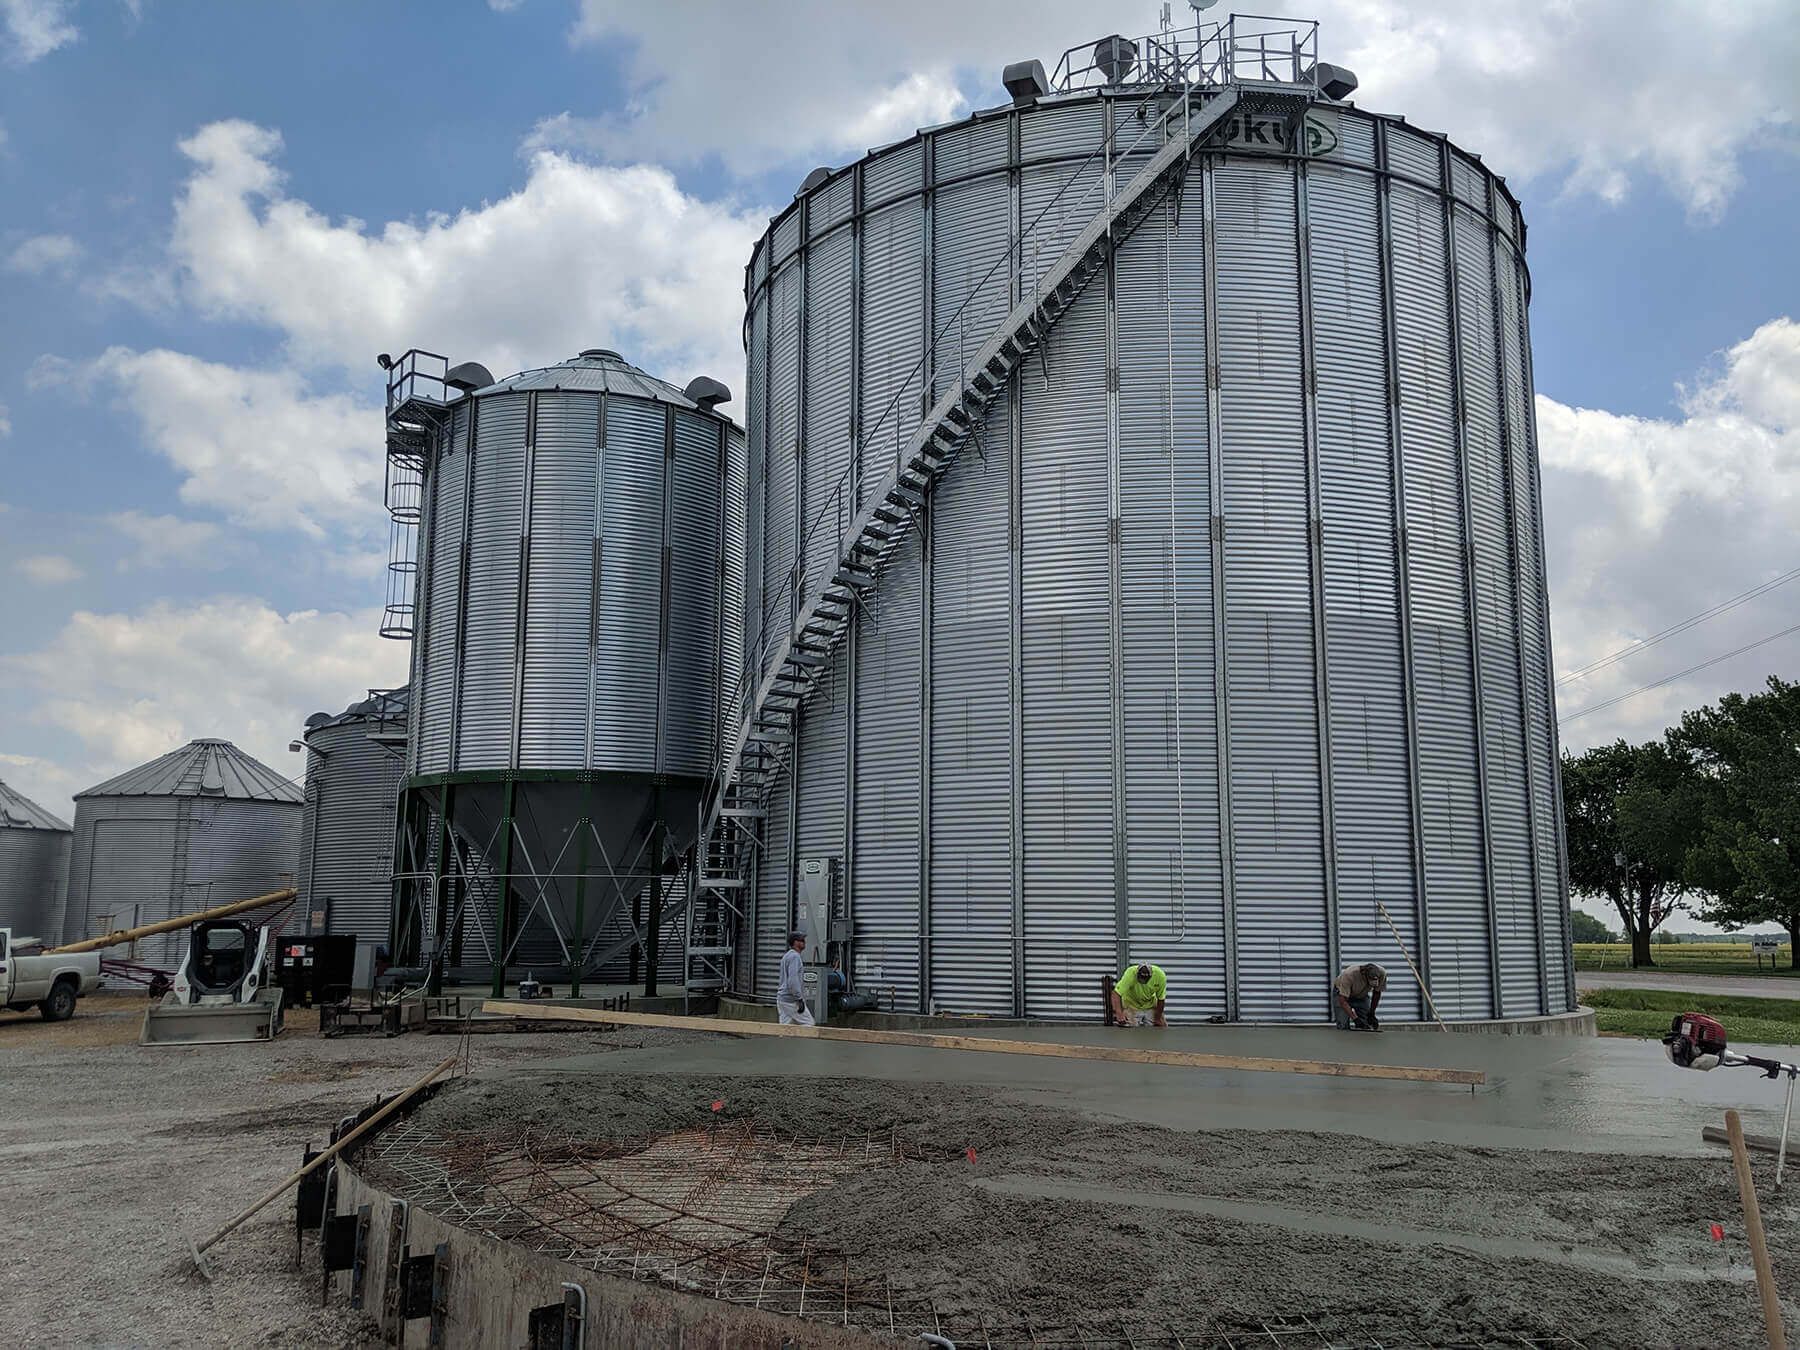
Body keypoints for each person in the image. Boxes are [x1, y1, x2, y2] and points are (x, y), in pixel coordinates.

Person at [1110, 962, 1167, 1027]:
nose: (1142, 982)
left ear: (1151, 975)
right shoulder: (1130, 973)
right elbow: (1116, 994)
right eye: (1140, 978)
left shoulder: (1160, 976)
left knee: (1161, 1028)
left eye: (1145, 980)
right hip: (1131, 1005)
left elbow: (1161, 999)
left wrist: (1157, 1018)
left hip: (1150, 1005)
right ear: (1137, 973)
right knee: (1127, 1031)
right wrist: (1119, 1015)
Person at [1333, 962, 1387, 1030]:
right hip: (1342, 994)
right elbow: (1343, 1001)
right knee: (1343, 1025)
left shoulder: (1382, 973)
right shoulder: (1349, 975)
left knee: (1366, 1023)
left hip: (1362, 995)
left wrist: (1372, 1013)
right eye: (1371, 979)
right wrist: (1355, 1019)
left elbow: (1377, 993)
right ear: (1364, 974)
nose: (1374, 982)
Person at [777, 931, 814, 1026]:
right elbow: (792, 981)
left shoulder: (787, 956)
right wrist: (799, 999)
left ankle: (783, 1040)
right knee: (809, 1023)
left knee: (785, 1027)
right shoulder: (795, 957)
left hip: (782, 999)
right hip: (791, 1000)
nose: (804, 942)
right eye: (802, 940)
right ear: (796, 943)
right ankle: (805, 1041)